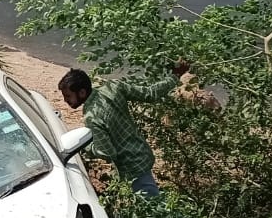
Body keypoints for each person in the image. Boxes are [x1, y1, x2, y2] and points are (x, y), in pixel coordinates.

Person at [57, 62, 193, 197]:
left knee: (153, 210)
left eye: (68, 96)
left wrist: (86, 146)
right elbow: (150, 93)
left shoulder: (92, 117)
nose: (65, 100)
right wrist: (175, 76)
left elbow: (107, 153)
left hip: (132, 169)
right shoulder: (112, 87)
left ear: (82, 92)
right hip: (142, 154)